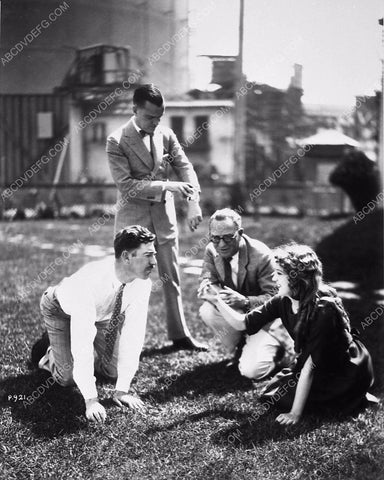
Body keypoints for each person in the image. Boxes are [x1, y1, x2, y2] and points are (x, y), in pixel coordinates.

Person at [213, 243, 375, 425]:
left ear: (297, 277)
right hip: (313, 361)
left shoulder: (323, 309)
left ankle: (355, 392)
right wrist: (218, 302)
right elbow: (244, 323)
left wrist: (295, 414)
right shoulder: (283, 300)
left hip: (342, 367)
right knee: (273, 395)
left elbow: (311, 366)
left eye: (279, 274)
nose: (273, 278)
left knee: (305, 401)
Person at [107, 83, 207, 351]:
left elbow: (185, 168)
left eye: (159, 117)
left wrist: (194, 202)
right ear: (135, 109)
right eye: (150, 117)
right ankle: (121, 343)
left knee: (171, 278)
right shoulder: (116, 140)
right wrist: (169, 186)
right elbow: (126, 185)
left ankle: (180, 335)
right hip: (133, 223)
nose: (155, 122)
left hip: (164, 220)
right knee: (131, 284)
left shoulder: (166, 134)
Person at [31, 225, 157, 423]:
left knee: (113, 371)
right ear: (126, 257)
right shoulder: (90, 282)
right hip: (60, 309)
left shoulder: (143, 283)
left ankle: (67, 342)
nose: (154, 262)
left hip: (101, 314)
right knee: (67, 378)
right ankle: (47, 349)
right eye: (148, 255)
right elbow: (82, 346)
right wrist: (91, 400)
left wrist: (122, 390)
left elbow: (134, 334)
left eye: (154, 254)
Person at [198, 209, 295, 379]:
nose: (221, 244)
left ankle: (276, 351)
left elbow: (276, 296)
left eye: (228, 237)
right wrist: (215, 293)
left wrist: (245, 302)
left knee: (252, 372)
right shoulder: (211, 250)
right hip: (237, 312)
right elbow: (207, 279)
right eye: (215, 237)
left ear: (240, 233)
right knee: (207, 311)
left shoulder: (261, 254)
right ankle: (241, 348)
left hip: (267, 317)